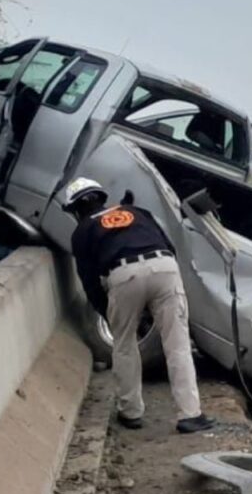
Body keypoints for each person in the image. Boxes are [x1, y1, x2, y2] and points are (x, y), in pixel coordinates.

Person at [62, 177, 214, 434]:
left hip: (121, 274)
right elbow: (169, 246)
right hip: (164, 265)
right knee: (177, 344)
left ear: (76, 210)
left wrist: (109, 313)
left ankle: (131, 412)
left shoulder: (82, 231)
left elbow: (90, 282)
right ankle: (190, 415)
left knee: (124, 345)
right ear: (101, 198)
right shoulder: (137, 212)